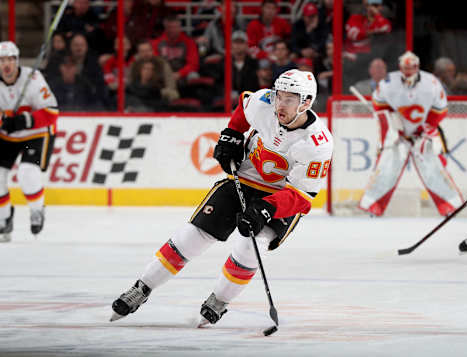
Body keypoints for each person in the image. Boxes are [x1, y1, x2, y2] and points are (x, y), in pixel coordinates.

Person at [109, 69, 333, 326]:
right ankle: (142, 287)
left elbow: (302, 197)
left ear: (305, 102)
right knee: (192, 237)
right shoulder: (264, 102)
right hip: (245, 179)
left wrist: (265, 209)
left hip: (280, 197)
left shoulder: (318, 143)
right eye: (278, 95)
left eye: (289, 99)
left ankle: (219, 300)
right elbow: (244, 106)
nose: (279, 103)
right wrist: (233, 134)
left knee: (249, 247)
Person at [358, 51, 463, 217]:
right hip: (398, 135)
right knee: (386, 167)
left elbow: (440, 109)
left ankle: (450, 206)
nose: (408, 72)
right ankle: (373, 206)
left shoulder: (432, 83)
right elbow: (379, 105)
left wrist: (425, 130)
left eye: (411, 68)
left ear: (417, 67)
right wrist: (393, 124)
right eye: (405, 68)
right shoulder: (388, 82)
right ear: (401, 67)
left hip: (424, 133)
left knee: (433, 168)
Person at [0, 42, 58, 242]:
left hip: (36, 134)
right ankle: (4, 219)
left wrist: (24, 120)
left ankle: (36, 210)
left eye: (10, 59)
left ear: (17, 60)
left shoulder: (32, 79)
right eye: (2, 60)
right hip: (7, 137)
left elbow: (52, 113)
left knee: (27, 173)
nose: (6, 64)